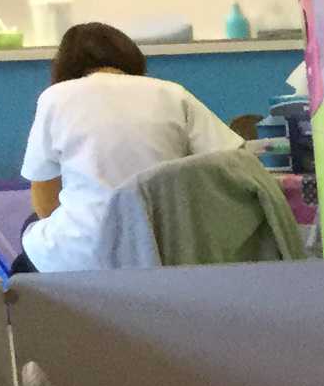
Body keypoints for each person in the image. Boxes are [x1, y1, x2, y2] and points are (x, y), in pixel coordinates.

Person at [18, 23, 249, 272]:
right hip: (170, 248)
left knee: (29, 238)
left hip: (84, 251)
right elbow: (234, 163)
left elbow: (44, 202)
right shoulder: (172, 93)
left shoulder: (55, 97)